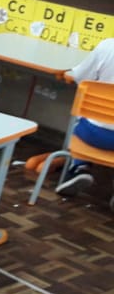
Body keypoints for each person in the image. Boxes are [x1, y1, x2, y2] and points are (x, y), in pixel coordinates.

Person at [55, 37, 114, 202]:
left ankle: (80, 167)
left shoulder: (108, 46)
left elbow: (80, 76)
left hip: (92, 134)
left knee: (81, 115)